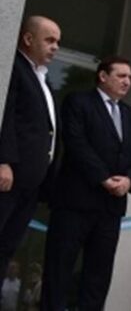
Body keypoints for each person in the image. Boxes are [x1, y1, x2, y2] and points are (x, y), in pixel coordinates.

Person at [42, 55, 131, 311]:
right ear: (103, 76)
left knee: (98, 275)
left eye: (130, 77)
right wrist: (103, 178)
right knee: (59, 270)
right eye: (121, 76)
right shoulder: (78, 102)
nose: (127, 82)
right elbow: (76, 144)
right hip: (75, 202)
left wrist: (130, 179)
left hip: (110, 208)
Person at [0, 16, 61, 293]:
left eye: (58, 42)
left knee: (8, 247)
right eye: (49, 40)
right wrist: (4, 160)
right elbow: (6, 115)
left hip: (31, 184)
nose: (55, 47)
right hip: (9, 177)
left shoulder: (45, 82)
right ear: (27, 39)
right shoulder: (14, 68)